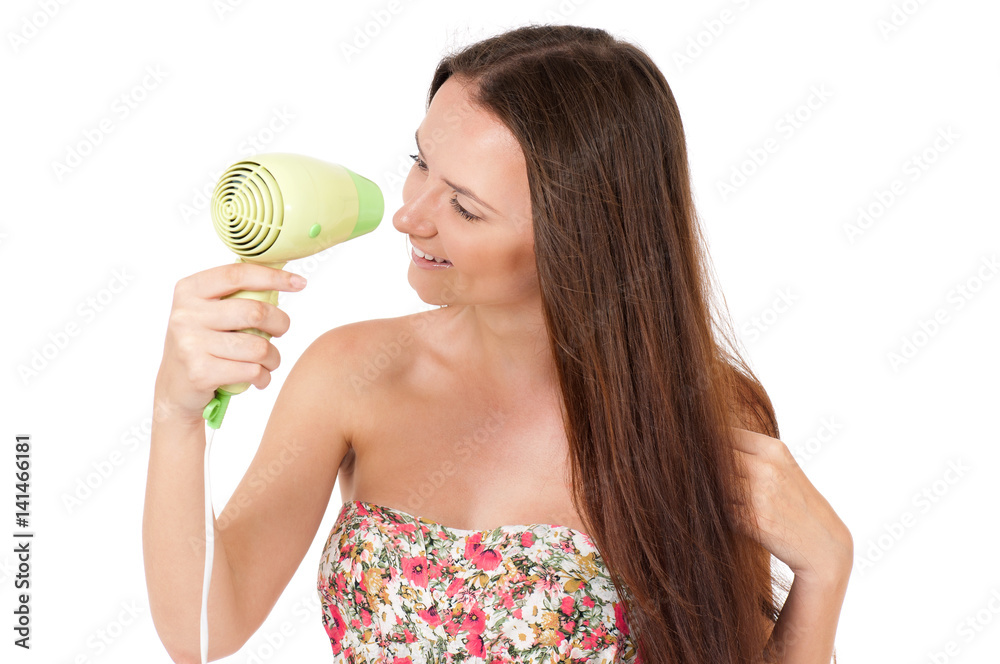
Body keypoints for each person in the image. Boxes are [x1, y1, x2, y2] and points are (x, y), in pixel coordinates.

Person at [143, 24, 852, 664]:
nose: (408, 215)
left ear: (579, 236)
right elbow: (202, 631)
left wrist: (825, 569)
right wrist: (177, 414)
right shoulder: (351, 373)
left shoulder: (699, 412)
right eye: (420, 162)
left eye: (464, 206)